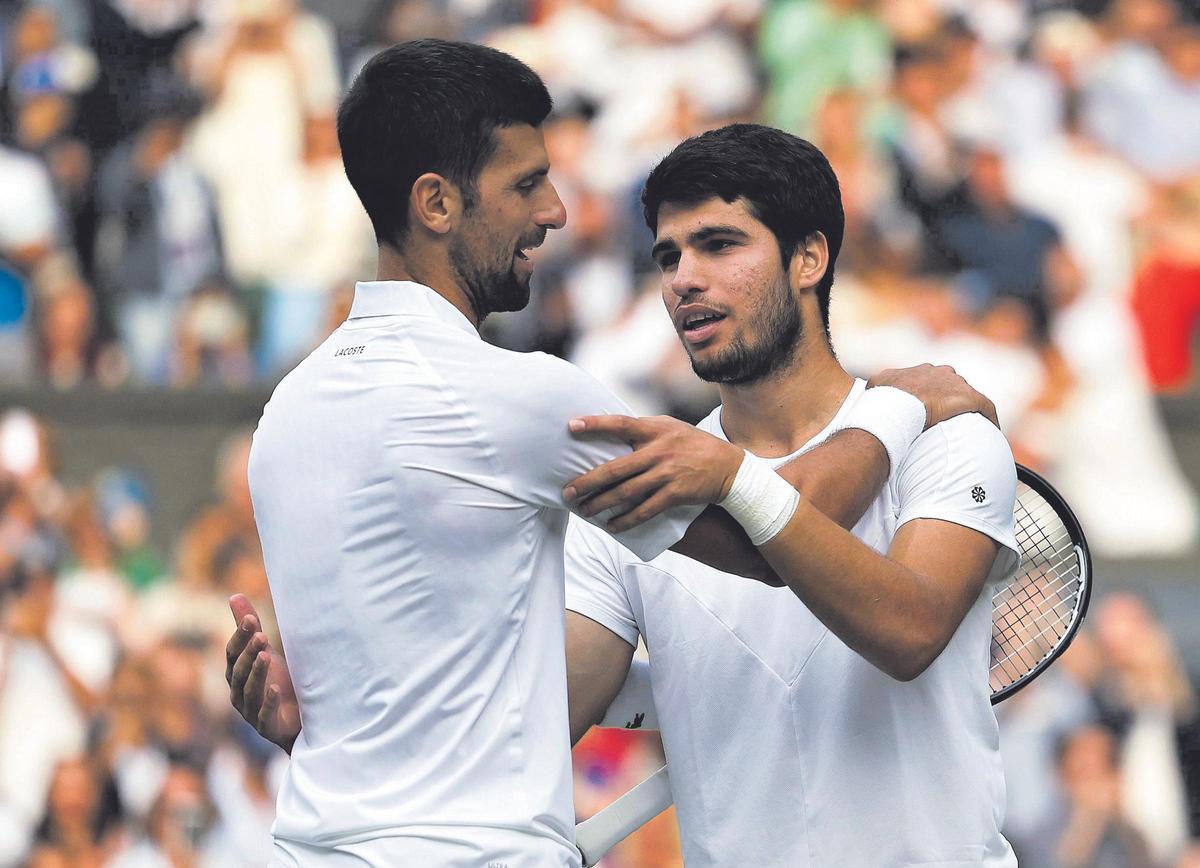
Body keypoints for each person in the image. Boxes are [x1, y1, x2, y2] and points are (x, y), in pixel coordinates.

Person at [231, 40, 1000, 868]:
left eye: (719, 245)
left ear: (810, 257)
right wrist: (897, 403)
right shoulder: (583, 439)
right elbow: (759, 547)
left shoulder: (286, 408)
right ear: (435, 204)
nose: (682, 279)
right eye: (669, 255)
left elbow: (909, 627)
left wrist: (341, 733)